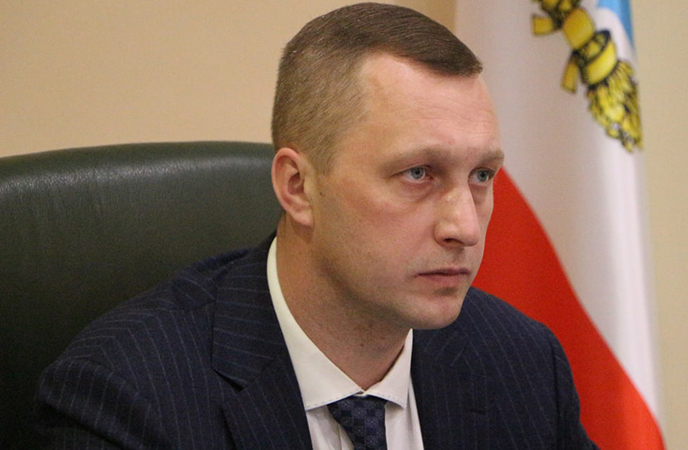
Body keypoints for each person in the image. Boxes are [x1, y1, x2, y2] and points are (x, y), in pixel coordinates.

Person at [35, 3, 599, 449]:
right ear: (298, 187)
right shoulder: (125, 397)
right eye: (418, 173)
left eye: (481, 175)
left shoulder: (521, 363)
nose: (465, 227)